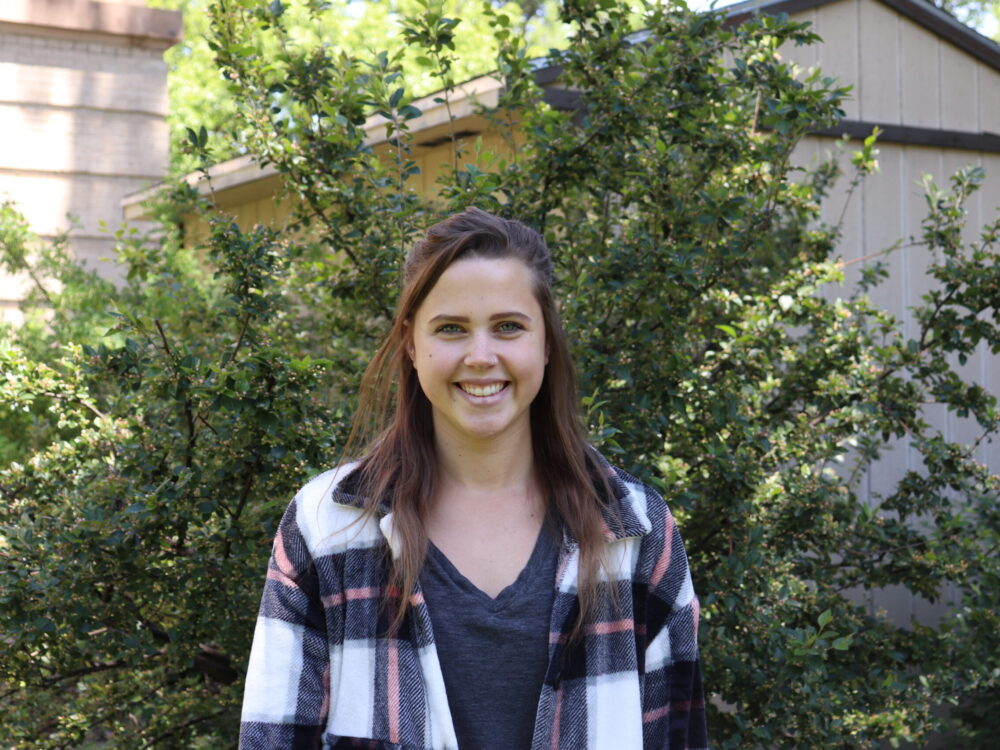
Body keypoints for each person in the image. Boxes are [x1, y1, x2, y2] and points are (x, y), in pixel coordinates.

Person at [238, 207, 708, 749]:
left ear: (547, 341)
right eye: (452, 329)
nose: (481, 357)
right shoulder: (327, 526)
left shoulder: (638, 532)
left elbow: (678, 736)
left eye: (508, 327)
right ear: (413, 344)